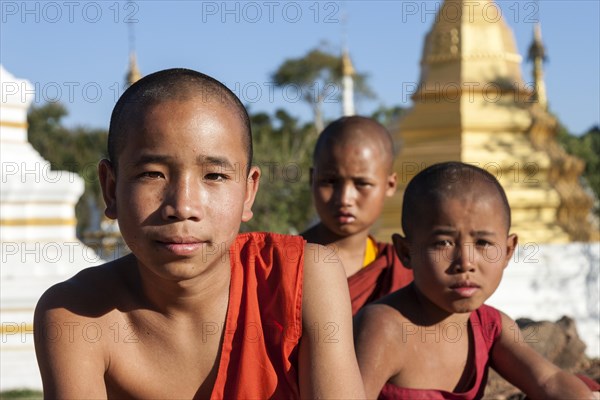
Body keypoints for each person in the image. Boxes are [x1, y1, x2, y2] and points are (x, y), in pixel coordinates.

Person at [34, 68, 365, 399]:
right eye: (152, 173)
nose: (183, 205)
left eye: (215, 176)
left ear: (248, 192)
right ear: (110, 188)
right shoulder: (77, 315)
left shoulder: (302, 279)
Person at [354, 161, 596, 399]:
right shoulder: (383, 328)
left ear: (508, 251)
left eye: (483, 243)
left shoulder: (491, 326)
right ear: (406, 252)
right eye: (443, 243)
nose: (466, 262)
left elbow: (547, 380)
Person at [301, 116, 412, 315]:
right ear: (312, 179)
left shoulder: (401, 269)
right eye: (330, 181)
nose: (345, 199)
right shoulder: (278, 262)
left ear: (390, 185)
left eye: (362, 183)